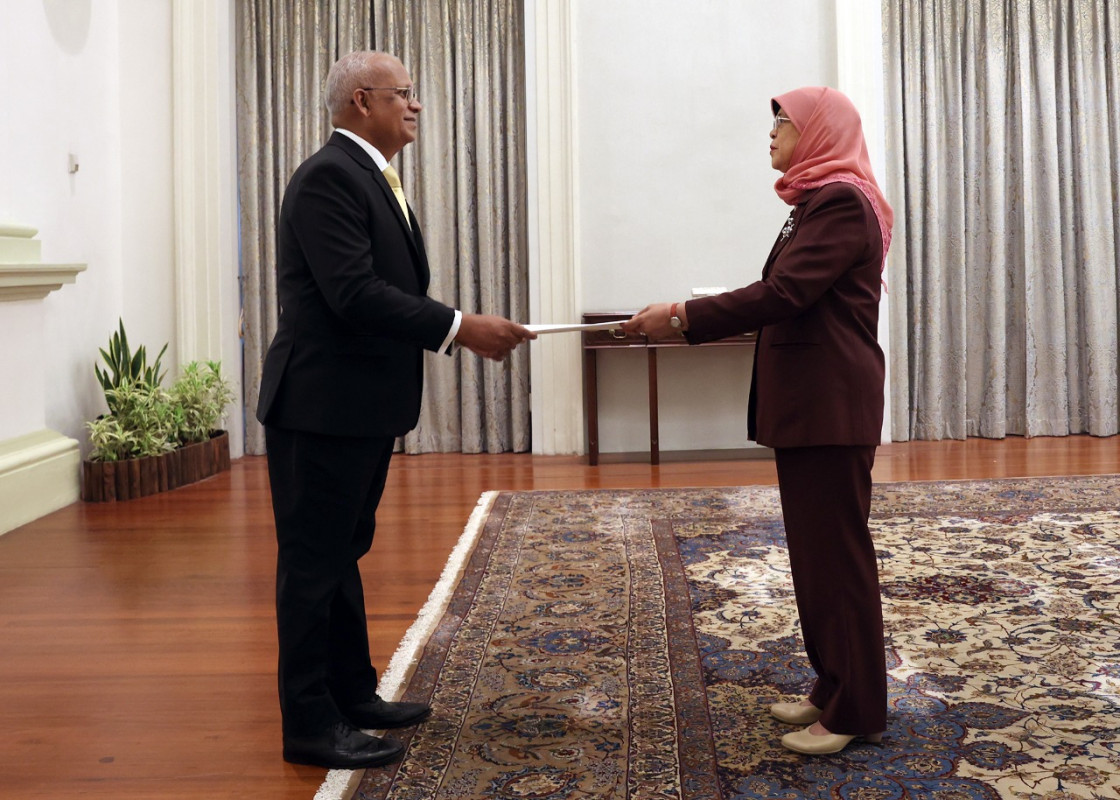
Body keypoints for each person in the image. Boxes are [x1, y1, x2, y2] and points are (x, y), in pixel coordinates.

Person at [256, 50, 535, 770]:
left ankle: (353, 695)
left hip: (357, 407)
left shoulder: (370, 174)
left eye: (414, 94)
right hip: (320, 407)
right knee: (313, 567)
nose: (415, 105)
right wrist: (459, 327)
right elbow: (353, 293)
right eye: (403, 94)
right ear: (359, 101)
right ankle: (310, 725)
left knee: (341, 555)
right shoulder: (328, 178)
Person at [622, 86, 893, 756]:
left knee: (838, 558)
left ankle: (856, 707)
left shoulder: (839, 202)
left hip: (830, 406)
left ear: (821, 131)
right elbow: (788, 294)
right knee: (815, 556)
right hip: (814, 406)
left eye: (783, 121)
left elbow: (784, 294)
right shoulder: (814, 201)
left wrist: (683, 316)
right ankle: (832, 684)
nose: (770, 133)